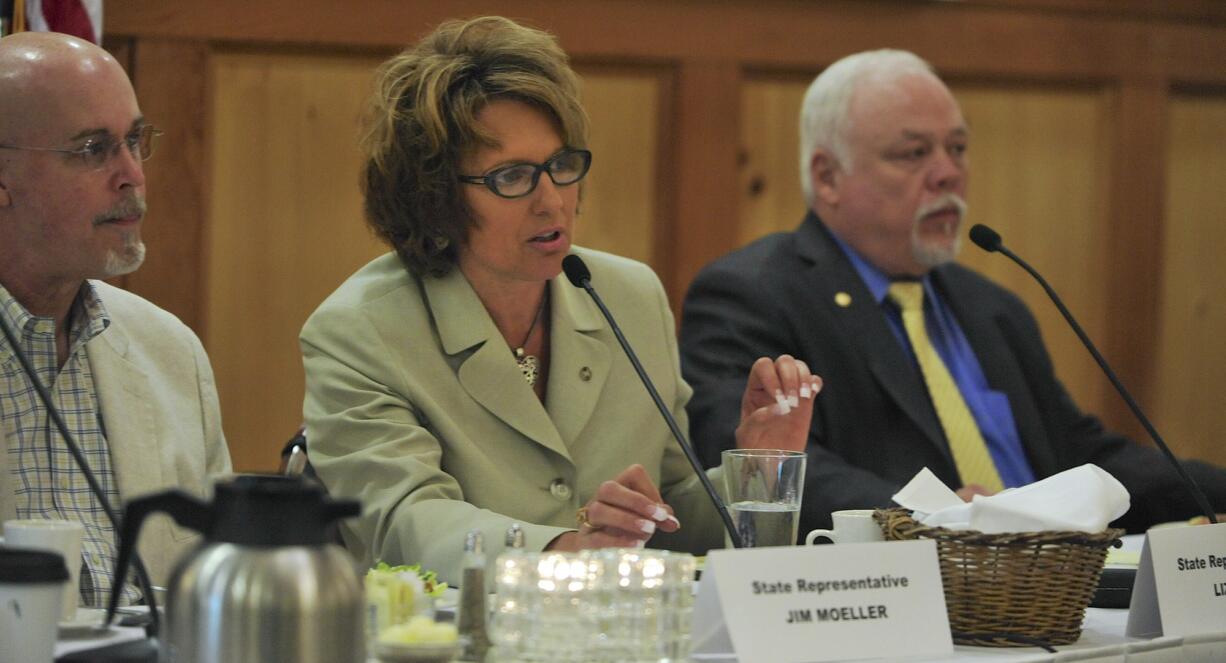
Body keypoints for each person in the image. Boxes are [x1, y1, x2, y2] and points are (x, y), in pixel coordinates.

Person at [301, 16, 820, 585]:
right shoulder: (361, 330)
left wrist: (759, 469)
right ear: (434, 198)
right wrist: (564, 550)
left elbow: (673, 516)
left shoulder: (629, 297)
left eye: (561, 166)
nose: (553, 202)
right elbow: (402, 523)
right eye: (512, 177)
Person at [680, 49, 1226, 537]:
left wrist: (1210, 490)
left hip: (1051, 589)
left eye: (958, 148)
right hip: (899, 597)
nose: (948, 174)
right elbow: (759, 467)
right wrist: (942, 518)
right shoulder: (751, 295)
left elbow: (1078, 455)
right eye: (914, 153)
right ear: (828, 177)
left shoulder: (992, 307)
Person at [0, 32, 231, 605]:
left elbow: (219, 581)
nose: (132, 175)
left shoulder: (170, 351)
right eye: (93, 149)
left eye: (134, 140)